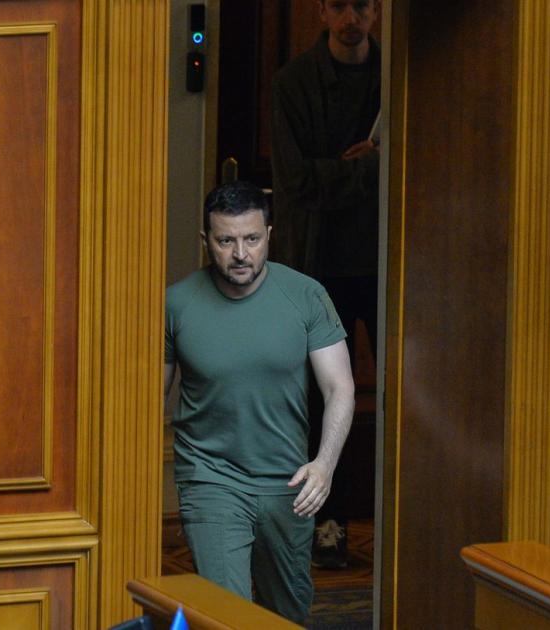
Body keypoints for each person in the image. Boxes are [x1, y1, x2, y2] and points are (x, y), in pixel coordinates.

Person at [163, 181, 355, 623]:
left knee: (285, 615)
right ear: (206, 241)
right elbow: (141, 399)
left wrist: (324, 465)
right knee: (223, 615)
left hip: (288, 484)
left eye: (252, 239)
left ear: (269, 233)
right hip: (209, 478)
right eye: (226, 240)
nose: (240, 254)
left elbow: (339, 387)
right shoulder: (176, 304)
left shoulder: (306, 295)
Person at [270, 0, 381, 570]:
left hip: (391, 266)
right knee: (314, 400)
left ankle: (394, 518)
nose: (351, 17)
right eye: (340, 5)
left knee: (405, 397)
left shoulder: (398, 74)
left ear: (378, 11)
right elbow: (294, 182)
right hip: (319, 268)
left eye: (363, 4)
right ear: (321, 11)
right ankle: (323, 523)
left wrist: (338, 168)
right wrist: (365, 169)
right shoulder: (293, 82)